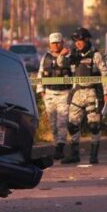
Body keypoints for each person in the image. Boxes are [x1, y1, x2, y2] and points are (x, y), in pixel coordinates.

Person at [62, 27, 107, 165]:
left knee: (94, 125)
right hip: (77, 93)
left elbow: (105, 74)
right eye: (76, 41)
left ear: (87, 40)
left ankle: (94, 155)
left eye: (80, 40)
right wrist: (61, 55)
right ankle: (74, 154)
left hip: (91, 93)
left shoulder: (95, 55)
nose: (78, 43)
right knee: (72, 125)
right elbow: (61, 65)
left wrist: (106, 93)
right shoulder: (73, 55)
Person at [37, 32, 71, 160]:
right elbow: (40, 75)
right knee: (52, 123)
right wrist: (41, 92)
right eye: (53, 43)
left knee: (62, 122)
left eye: (58, 42)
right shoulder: (45, 58)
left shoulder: (69, 57)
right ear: (50, 44)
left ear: (62, 43)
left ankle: (60, 148)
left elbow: (74, 74)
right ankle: (56, 144)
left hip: (64, 94)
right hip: (49, 94)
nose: (56, 45)